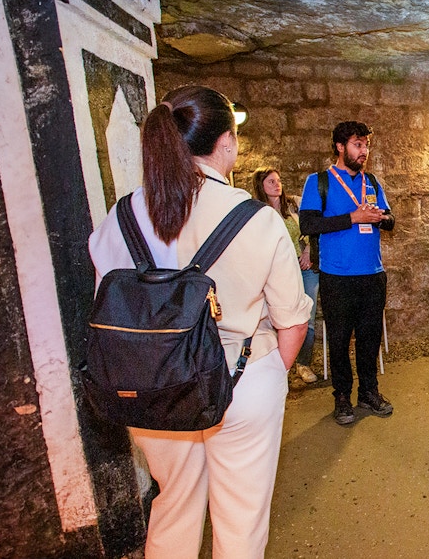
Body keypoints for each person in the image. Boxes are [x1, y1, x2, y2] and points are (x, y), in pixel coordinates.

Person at [88, 86, 312, 558]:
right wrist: (270, 373)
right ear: (226, 141)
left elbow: (108, 308)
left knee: (173, 506)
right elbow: (291, 321)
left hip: (151, 387)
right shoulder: (258, 220)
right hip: (238, 380)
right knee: (241, 521)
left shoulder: (121, 216)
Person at [299, 121, 395, 425]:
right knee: (339, 340)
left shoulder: (372, 183)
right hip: (337, 276)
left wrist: (382, 217)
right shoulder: (319, 182)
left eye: (366, 144)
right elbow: (309, 224)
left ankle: (369, 392)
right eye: (357, 144)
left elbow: (391, 219)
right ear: (340, 147)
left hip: (372, 274)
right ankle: (342, 396)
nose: (364, 150)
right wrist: (353, 217)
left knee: (370, 338)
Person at [252, 166, 319, 383]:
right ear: (261, 186)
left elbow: (310, 229)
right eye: (271, 181)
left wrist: (309, 251)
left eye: (278, 180)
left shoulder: (294, 205)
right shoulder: (258, 212)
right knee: (278, 318)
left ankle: (303, 363)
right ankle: (280, 366)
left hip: (304, 267)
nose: (277, 184)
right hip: (278, 272)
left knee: (306, 316)